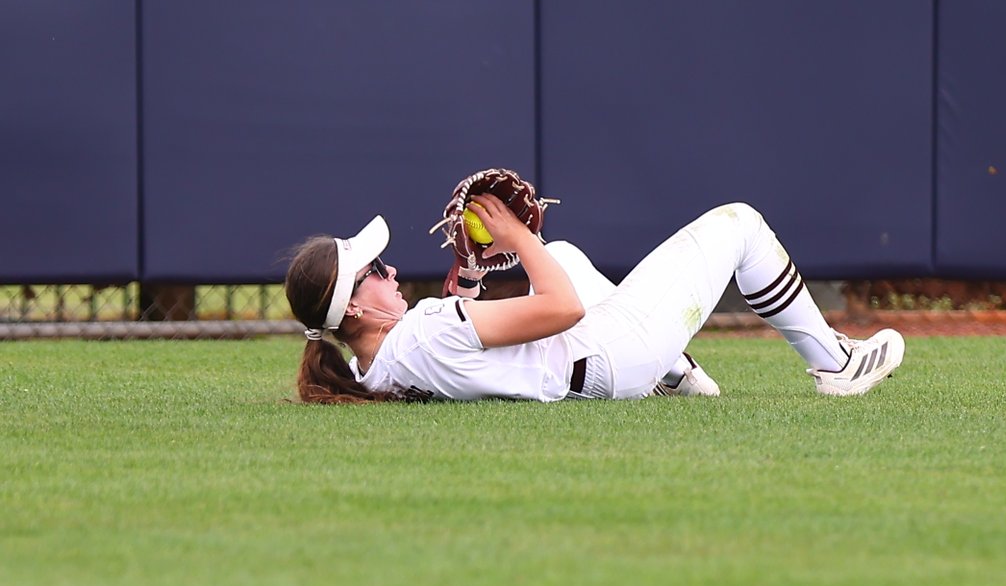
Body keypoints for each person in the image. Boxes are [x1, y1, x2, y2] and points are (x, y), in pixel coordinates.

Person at [284, 197, 904, 404]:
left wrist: (470, 284)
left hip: (585, 365)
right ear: (357, 308)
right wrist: (518, 236)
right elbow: (562, 309)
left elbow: (461, 342)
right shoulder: (420, 335)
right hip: (606, 355)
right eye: (372, 270)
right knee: (739, 223)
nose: (390, 268)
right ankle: (835, 365)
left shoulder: (374, 365)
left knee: (572, 254)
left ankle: (677, 377)